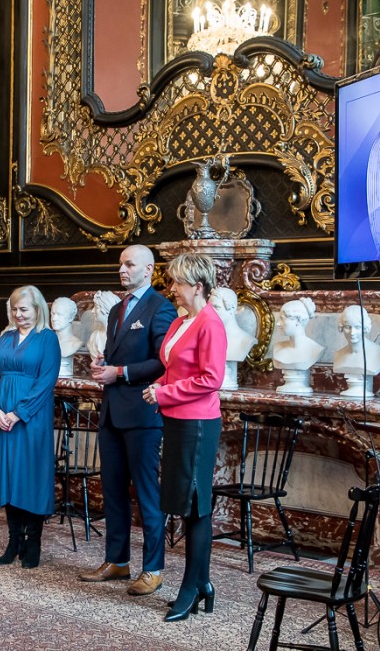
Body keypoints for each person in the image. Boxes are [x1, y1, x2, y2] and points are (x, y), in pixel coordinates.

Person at [81, 244, 177, 597]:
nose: (122, 270)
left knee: (147, 494)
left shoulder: (161, 308)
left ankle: (153, 569)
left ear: (149, 269)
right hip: (111, 413)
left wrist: (119, 372)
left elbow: (163, 361)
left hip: (142, 414)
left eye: (130, 264)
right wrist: (102, 366)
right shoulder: (117, 310)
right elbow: (116, 355)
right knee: (113, 491)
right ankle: (117, 560)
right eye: (121, 264)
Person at [142, 253, 226, 622]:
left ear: (198, 286)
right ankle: (202, 583)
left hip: (198, 424)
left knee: (195, 505)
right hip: (176, 420)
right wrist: (159, 385)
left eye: (177, 282)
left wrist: (165, 393)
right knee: (184, 502)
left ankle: (191, 588)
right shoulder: (180, 321)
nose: (172, 288)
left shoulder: (211, 323)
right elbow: (174, 368)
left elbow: (211, 379)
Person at [0, 285, 61, 569]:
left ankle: (34, 542)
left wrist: (19, 413)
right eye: (15, 309)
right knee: (7, 476)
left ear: (38, 309)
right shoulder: (5, 337)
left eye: (24, 309)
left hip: (31, 419)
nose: (19, 314)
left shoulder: (47, 338)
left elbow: (46, 382)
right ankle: (14, 541)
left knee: (30, 477)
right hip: (1, 418)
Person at [272, 298, 324, 394]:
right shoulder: (278, 348)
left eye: (282, 319)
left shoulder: (315, 349)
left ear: (298, 320)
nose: (278, 323)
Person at [208, 287, 257, 389]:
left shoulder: (245, 341)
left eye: (216, 307)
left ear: (232, 308)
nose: (210, 313)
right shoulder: (207, 338)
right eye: (209, 308)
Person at [333, 305, 380, 398]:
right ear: (342, 327)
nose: (352, 333)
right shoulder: (339, 354)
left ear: (365, 327)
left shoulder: (379, 354)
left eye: (357, 327)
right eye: (348, 327)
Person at [50, 296, 83, 378]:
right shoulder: (47, 342)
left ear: (71, 317)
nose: (54, 318)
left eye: (59, 314)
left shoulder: (76, 344)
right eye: (52, 314)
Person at [85, 289, 121, 361]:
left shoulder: (122, 336)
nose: (92, 311)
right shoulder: (94, 336)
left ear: (106, 309)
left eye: (96, 307)